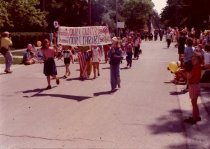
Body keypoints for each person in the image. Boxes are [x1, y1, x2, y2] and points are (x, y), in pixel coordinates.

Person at [184, 55, 202, 124]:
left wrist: (184, 72)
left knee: (194, 103)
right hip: (196, 85)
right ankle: (197, 116)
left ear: (199, 60)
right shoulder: (198, 67)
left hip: (193, 86)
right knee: (194, 102)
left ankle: (194, 119)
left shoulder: (195, 67)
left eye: (195, 59)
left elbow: (189, 77)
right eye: (192, 59)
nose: (193, 61)